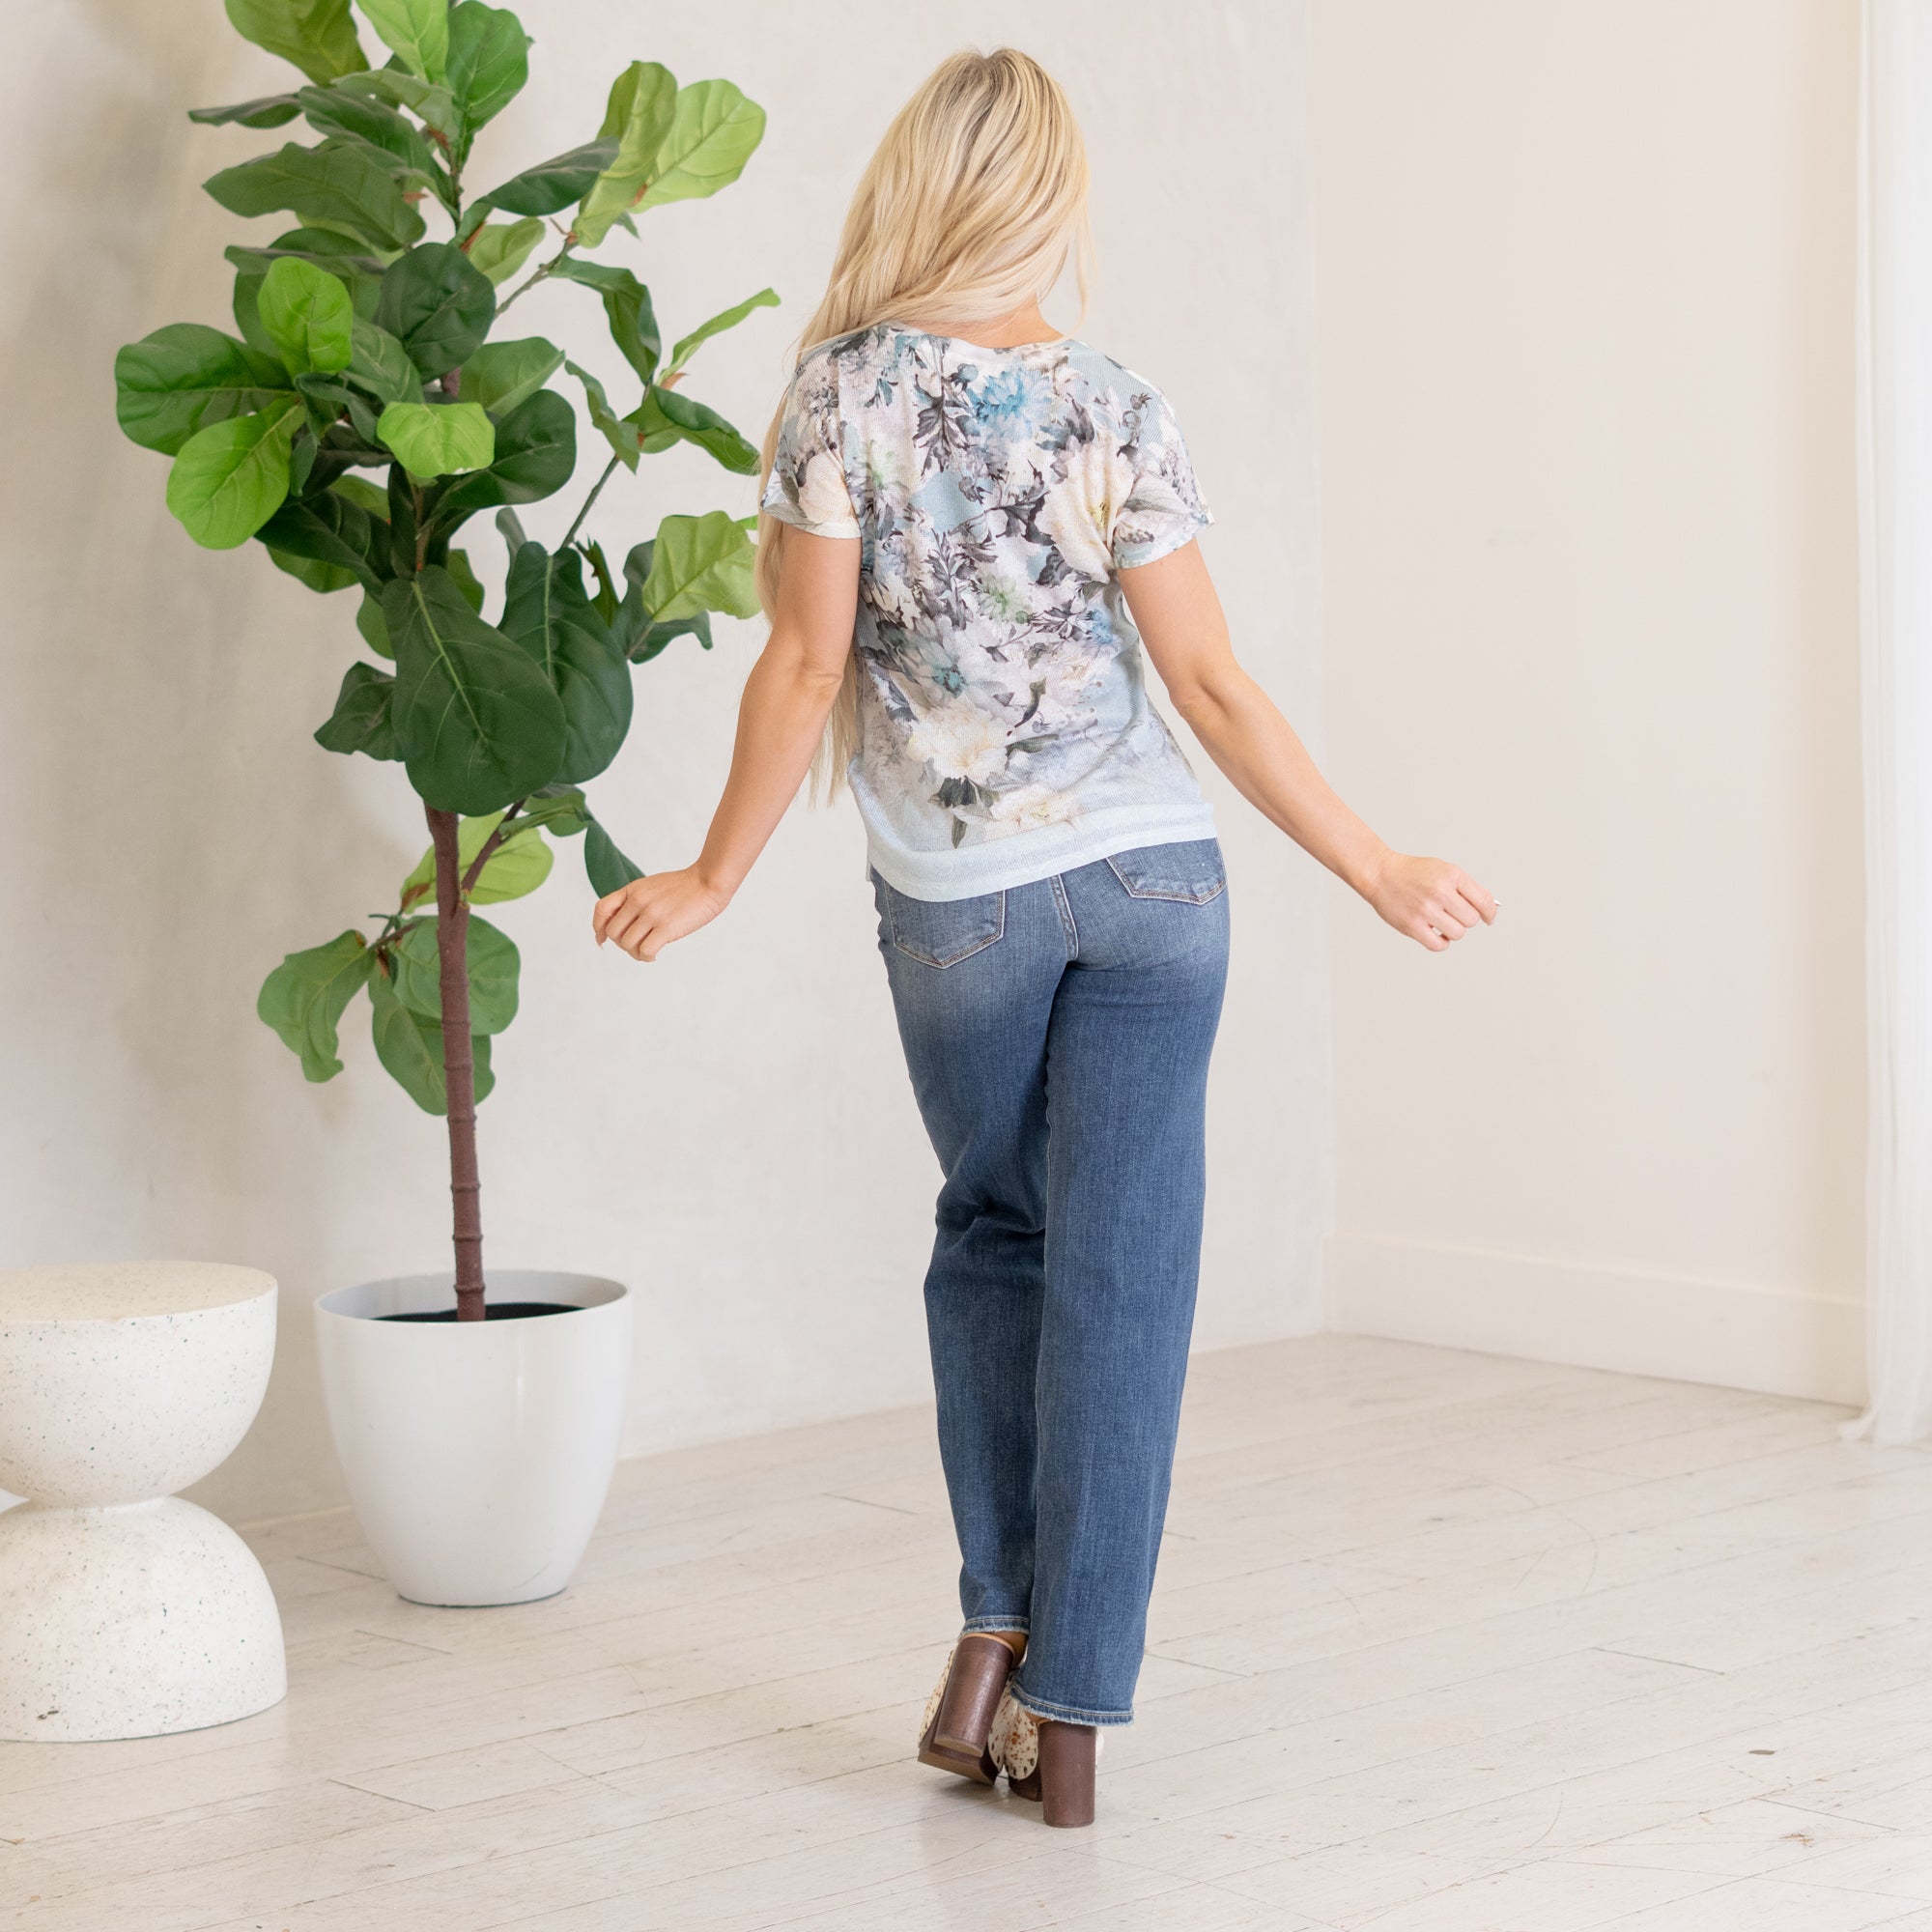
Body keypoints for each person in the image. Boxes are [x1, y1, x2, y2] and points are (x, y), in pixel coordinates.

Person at [591, 46, 1496, 1829]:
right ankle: (1065, 1724)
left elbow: (803, 665)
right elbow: (1211, 686)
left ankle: (995, 1628)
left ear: (912, 184)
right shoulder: (1116, 402)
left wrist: (711, 876)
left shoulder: (838, 395)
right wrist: (1372, 861)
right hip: (1164, 890)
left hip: (969, 910)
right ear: (1050, 200)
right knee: (1127, 1289)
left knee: (999, 1235)